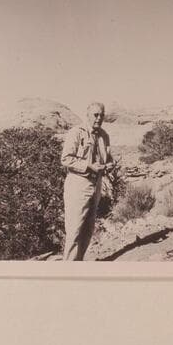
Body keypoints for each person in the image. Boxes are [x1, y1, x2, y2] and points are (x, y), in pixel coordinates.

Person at [61, 102, 114, 260]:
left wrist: (109, 165)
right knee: (75, 229)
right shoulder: (76, 133)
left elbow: (109, 158)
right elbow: (66, 159)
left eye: (101, 115)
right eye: (95, 115)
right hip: (78, 184)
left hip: (96, 184)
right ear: (88, 115)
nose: (99, 118)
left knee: (88, 228)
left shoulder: (104, 136)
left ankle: (79, 263)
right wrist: (89, 166)